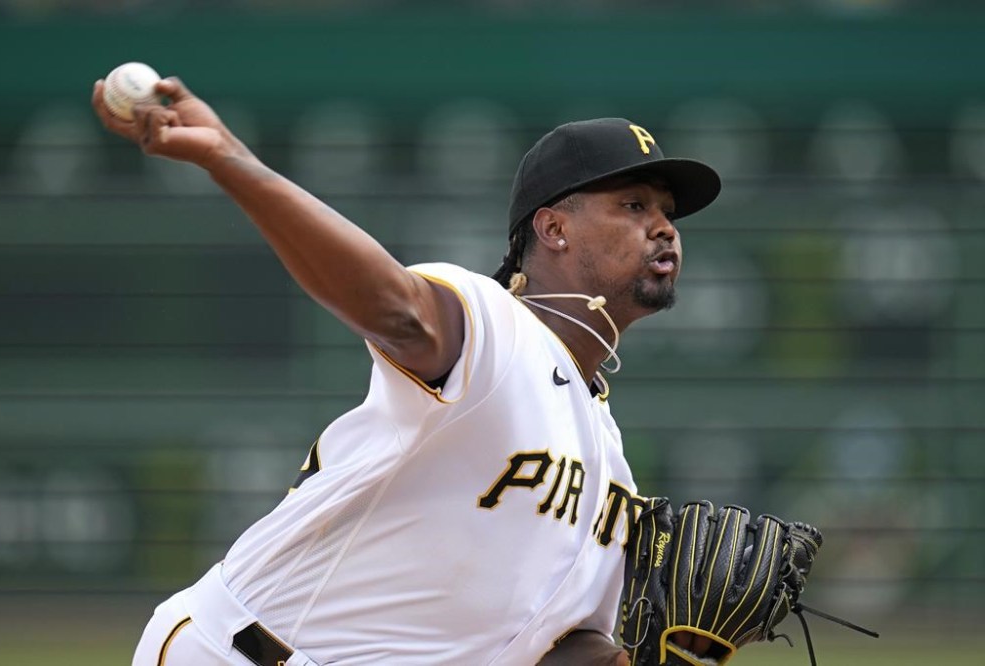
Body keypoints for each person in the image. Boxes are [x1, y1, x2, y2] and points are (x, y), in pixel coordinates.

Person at [92, 76, 721, 666]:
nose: (663, 227)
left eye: (667, 212)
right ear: (553, 227)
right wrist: (232, 160)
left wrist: (666, 653)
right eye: (633, 205)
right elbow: (397, 312)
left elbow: (550, 649)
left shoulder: (611, 464)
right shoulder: (490, 324)